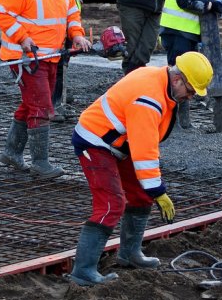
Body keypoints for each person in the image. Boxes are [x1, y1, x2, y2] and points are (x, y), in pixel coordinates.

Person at [68, 52, 214, 285]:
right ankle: (83, 271)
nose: (190, 97)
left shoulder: (161, 81)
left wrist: (150, 189)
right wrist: (158, 190)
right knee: (110, 204)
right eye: (190, 91)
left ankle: (129, 254)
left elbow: (142, 146)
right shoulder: (149, 99)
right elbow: (144, 151)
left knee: (140, 194)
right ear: (178, 80)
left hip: (117, 143)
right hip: (94, 141)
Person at [0, 0, 93, 177]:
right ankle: (40, 163)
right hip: (25, 59)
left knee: (32, 104)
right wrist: (23, 37)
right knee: (41, 107)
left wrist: (77, 34)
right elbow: (1, 14)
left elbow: (72, 14)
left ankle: (11, 152)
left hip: (50, 57)